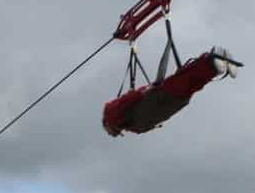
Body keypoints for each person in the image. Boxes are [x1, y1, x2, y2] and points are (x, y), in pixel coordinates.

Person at [102, 47, 240, 137]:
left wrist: (144, 91)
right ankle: (214, 66)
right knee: (189, 81)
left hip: (165, 100)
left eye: (109, 132)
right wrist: (146, 91)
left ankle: (212, 65)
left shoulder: (113, 115)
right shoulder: (133, 126)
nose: (111, 133)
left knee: (188, 82)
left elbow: (129, 100)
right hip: (166, 100)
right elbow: (131, 100)